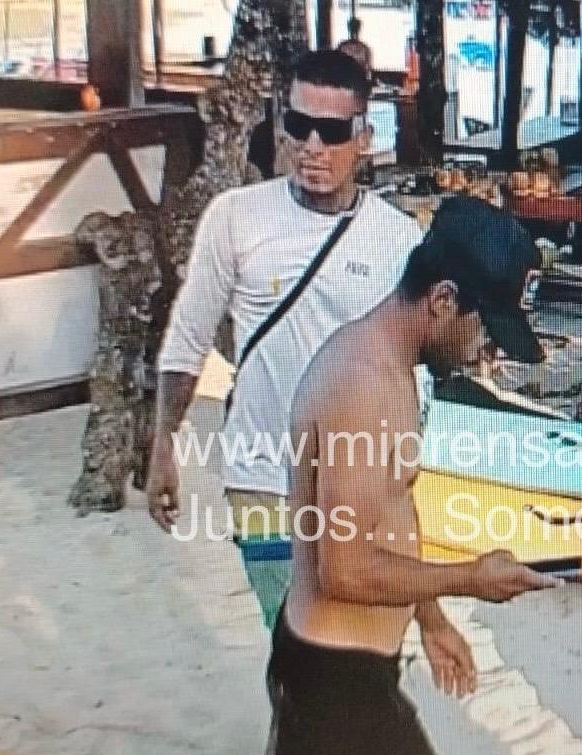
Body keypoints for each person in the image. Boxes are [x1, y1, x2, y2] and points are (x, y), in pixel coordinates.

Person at [270, 195, 558, 755]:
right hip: (339, 678)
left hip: (322, 663)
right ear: (441, 300)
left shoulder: (388, 368)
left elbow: (388, 516)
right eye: (482, 328)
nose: (484, 350)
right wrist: (472, 578)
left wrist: (430, 617)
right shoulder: (366, 386)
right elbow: (347, 567)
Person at [147, 49, 423, 631]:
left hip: (358, 487)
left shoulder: (398, 241)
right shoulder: (234, 218)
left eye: (333, 131)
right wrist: (163, 444)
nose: (313, 146)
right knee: (294, 640)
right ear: (280, 126)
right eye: (299, 125)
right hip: (261, 477)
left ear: (364, 138)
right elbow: (189, 335)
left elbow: (412, 368)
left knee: (359, 649)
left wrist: (401, 473)